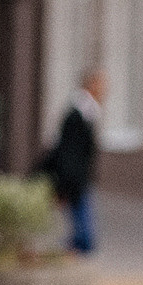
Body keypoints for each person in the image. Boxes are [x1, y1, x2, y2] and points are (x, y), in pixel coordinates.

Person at [43, 68, 102, 253]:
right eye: (100, 84)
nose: (104, 89)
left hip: (76, 174)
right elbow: (71, 148)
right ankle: (76, 250)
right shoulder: (81, 112)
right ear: (91, 84)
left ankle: (76, 248)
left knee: (80, 219)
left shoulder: (84, 109)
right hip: (75, 175)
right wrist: (69, 177)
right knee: (82, 224)